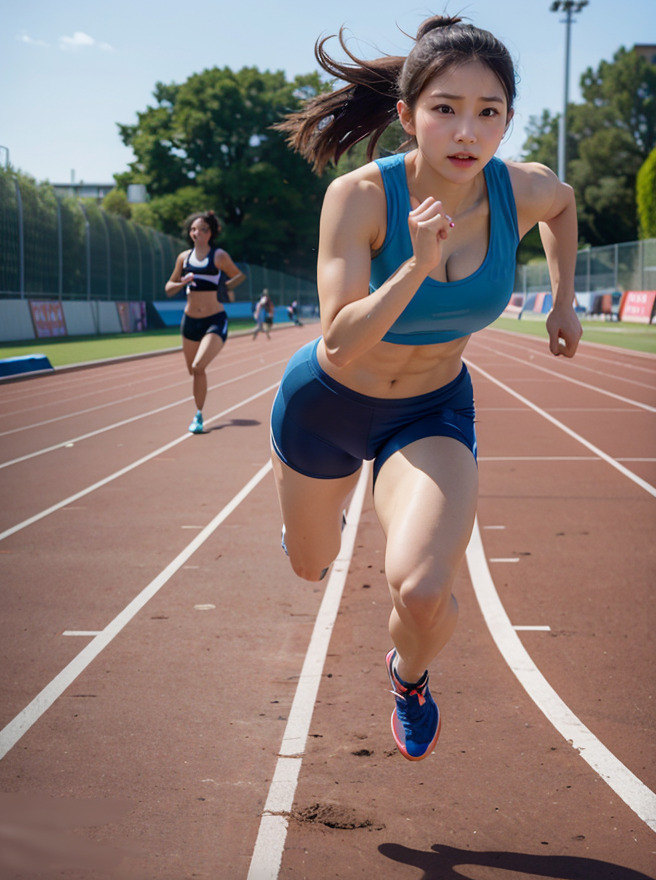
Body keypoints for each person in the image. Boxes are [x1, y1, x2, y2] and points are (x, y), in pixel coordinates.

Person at [270, 15, 582, 761]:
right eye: (445, 108)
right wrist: (414, 264)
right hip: (328, 406)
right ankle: (315, 523)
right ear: (407, 115)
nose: (466, 131)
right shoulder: (360, 197)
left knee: (419, 591)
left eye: (489, 112)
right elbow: (339, 342)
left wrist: (565, 297)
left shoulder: (521, 190)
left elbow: (565, 207)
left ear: (508, 120)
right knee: (311, 566)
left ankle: (408, 677)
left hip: (430, 411)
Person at [165, 210, 245, 433]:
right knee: (193, 370)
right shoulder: (183, 258)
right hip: (190, 321)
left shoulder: (218, 256)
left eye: (202, 229)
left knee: (199, 367)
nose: (196, 233)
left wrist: (224, 287)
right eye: (193, 229)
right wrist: (182, 282)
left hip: (214, 320)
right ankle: (199, 409)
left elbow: (239, 276)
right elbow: (168, 288)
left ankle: (198, 416)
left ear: (211, 233)